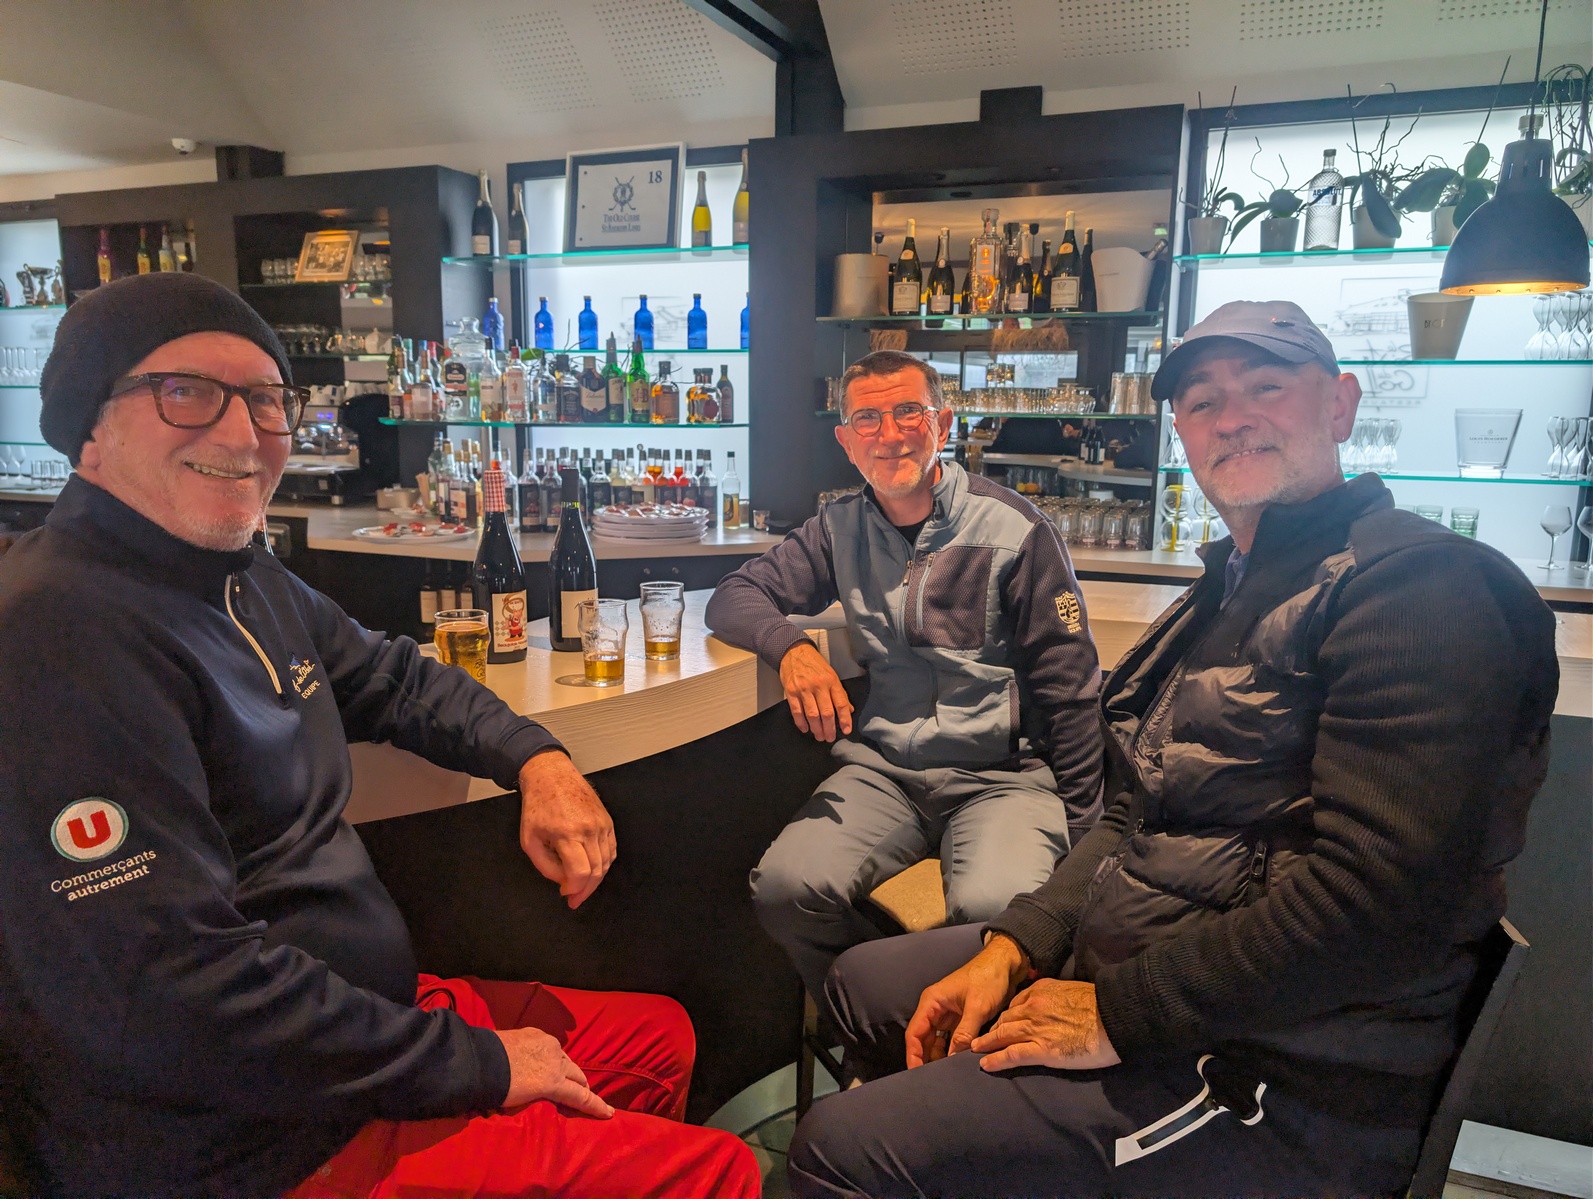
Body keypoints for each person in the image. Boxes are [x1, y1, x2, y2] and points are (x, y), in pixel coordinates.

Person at [0, 273, 759, 1199]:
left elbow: (395, 676)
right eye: (186, 392)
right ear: (88, 427)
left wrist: (537, 757)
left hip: (357, 1030)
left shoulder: (237, 574)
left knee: (656, 1042)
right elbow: (169, 990)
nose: (242, 434)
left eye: (267, 399)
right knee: (717, 1170)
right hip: (255, 1135)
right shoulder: (58, 633)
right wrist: (473, 1062)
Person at [786, 301, 1560, 1197]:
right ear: (1182, 434)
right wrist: (1021, 943)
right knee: (861, 982)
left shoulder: (1424, 589)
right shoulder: (1230, 587)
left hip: (1275, 1071)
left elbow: (1378, 898)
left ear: (1341, 405)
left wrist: (1117, 1012)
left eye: (1265, 386)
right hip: (1168, 977)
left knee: (838, 1145)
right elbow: (1132, 814)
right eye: (1201, 402)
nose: (1231, 417)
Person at [706, 349, 1103, 998]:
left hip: (1004, 778)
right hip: (884, 772)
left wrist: (1085, 849)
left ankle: (957, 1048)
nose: (888, 434)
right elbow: (734, 596)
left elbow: (1072, 692)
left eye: (908, 412)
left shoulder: (1016, 529)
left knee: (995, 916)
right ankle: (877, 1023)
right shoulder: (838, 528)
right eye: (868, 419)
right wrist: (792, 649)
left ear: (942, 424)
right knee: (785, 888)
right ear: (846, 441)